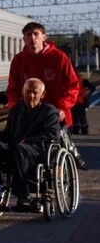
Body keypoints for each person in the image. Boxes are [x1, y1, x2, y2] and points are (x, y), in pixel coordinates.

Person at [6, 21, 87, 170]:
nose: (32, 38)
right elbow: (13, 89)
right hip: (28, 117)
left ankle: (64, 175)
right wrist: (14, 107)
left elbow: (73, 86)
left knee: (57, 153)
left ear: (44, 37)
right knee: (20, 148)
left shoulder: (59, 57)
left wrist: (63, 108)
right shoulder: (18, 61)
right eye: (28, 35)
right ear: (24, 38)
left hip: (56, 116)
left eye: (36, 34)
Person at [0, 77, 62, 211]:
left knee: (19, 149)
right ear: (22, 93)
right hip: (16, 149)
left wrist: (29, 140)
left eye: (35, 92)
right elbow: (8, 133)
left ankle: (23, 197)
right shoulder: (16, 109)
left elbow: (53, 134)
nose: (31, 95)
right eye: (28, 92)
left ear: (43, 94)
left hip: (37, 151)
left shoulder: (49, 111)